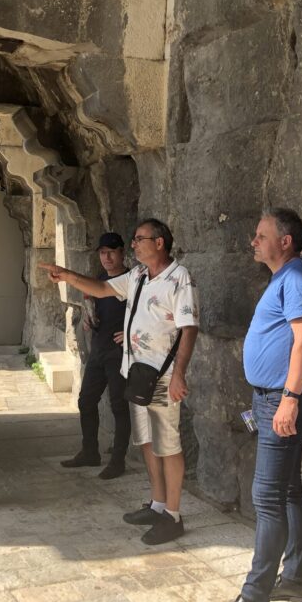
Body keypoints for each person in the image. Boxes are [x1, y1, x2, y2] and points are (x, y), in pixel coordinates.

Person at [42, 218, 199, 545]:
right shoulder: (139, 275)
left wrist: (179, 374)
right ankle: (157, 504)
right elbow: (102, 289)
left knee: (168, 445)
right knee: (147, 442)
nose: (134, 244)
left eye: (140, 239)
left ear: (159, 243)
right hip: (136, 372)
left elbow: (189, 328)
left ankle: (173, 515)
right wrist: (67, 275)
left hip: (162, 375)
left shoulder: (179, 278)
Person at [209, 208, 302, 602]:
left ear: (285, 241)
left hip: (283, 398)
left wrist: (289, 399)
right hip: (272, 398)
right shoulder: (283, 278)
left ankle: (255, 599)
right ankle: (295, 578)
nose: (253, 242)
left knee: (267, 496)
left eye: (261, 235)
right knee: (288, 489)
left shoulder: (296, 278)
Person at [61, 231, 131, 480]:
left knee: (119, 406)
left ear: (122, 253)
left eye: (111, 252)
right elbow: (92, 308)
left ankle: (118, 460)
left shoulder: (132, 281)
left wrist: (131, 332)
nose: (107, 257)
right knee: (86, 401)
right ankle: (90, 451)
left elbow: (146, 313)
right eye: (103, 253)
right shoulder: (99, 281)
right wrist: (87, 321)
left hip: (120, 352)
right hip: (99, 349)